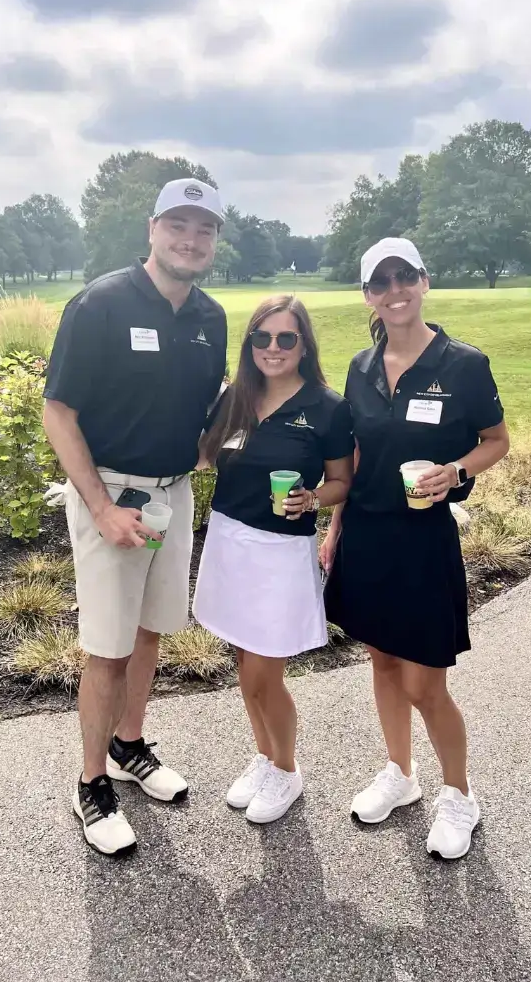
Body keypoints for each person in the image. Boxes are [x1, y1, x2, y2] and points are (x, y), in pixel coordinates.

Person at [42, 178, 230, 857]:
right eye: (178, 224)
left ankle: (128, 746)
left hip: (174, 494)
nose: (190, 238)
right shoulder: (101, 303)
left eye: (204, 228)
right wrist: (99, 509)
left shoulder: (210, 317)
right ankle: (91, 783)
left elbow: (210, 412)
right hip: (111, 496)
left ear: (215, 240)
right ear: (151, 229)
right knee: (108, 648)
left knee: (150, 633)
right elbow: (57, 413)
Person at [320, 237, 510, 861]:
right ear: (367, 295)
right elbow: (355, 456)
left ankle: (459, 795)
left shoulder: (462, 363)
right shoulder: (360, 366)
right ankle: (400, 775)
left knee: (426, 684)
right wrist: (334, 527)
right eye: (381, 282)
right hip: (368, 534)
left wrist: (455, 470)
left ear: (424, 281)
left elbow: (495, 440)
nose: (395, 291)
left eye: (406, 277)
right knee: (380, 661)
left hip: (423, 539)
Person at [192, 295, 354, 825]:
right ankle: (264, 756)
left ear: (304, 343)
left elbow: (341, 481)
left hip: (280, 555)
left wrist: (313, 499)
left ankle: (288, 769)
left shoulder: (327, 407)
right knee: (243, 661)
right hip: (228, 542)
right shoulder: (234, 399)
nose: (273, 348)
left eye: (286, 338)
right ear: (250, 345)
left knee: (266, 673)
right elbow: (201, 457)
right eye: (262, 338)